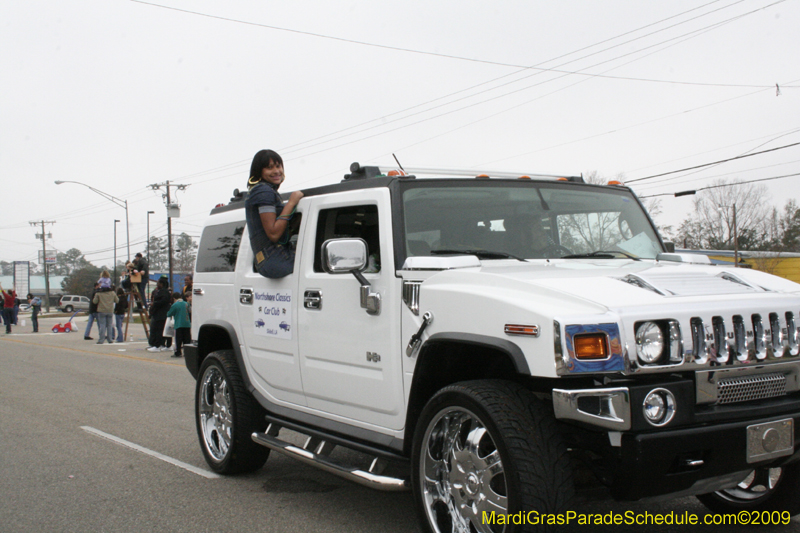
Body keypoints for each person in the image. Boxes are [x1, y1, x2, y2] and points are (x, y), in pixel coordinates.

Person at [245, 149, 304, 279]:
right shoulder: (263, 191)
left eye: (278, 166)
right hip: (276, 259)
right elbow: (273, 233)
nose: (276, 171)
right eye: (269, 168)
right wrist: (291, 203)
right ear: (259, 171)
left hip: (268, 260)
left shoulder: (263, 191)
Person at [147, 278, 171, 352]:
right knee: (160, 330)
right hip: (158, 314)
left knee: (158, 330)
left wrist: (154, 303)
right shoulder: (160, 291)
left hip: (161, 314)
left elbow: (164, 301)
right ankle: (161, 344)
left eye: (158, 283)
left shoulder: (164, 292)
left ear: (162, 284)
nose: (157, 284)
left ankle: (157, 345)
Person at [166, 291, 191, 358]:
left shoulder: (175, 305)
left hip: (179, 324)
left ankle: (178, 352)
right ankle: (187, 353)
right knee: (187, 339)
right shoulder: (186, 304)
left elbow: (169, 314)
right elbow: (189, 311)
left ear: (174, 298)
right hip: (187, 324)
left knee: (178, 340)